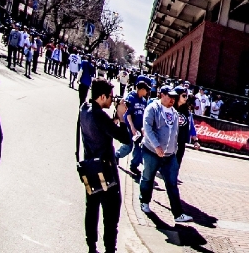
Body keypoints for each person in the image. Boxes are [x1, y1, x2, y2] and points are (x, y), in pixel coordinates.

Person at [79, 79, 131, 253]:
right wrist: (122, 118)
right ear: (102, 96)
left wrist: (115, 117)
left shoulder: (84, 109)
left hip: (89, 167)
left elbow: (103, 127)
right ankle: (110, 249)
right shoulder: (100, 115)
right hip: (106, 170)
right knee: (111, 214)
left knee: (91, 208)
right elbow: (124, 138)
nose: (112, 100)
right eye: (110, 97)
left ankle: (91, 247)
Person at [139, 85, 193, 222]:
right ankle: (144, 201)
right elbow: (147, 128)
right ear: (162, 95)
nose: (172, 100)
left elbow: (175, 133)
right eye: (170, 96)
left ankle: (178, 214)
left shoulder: (174, 113)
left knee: (172, 183)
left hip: (169, 156)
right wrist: (156, 146)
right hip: (152, 152)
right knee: (148, 177)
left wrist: (173, 150)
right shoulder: (153, 108)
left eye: (174, 97)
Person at [119, 80, 151, 179]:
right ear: (141, 89)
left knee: (139, 148)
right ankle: (116, 155)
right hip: (130, 126)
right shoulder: (131, 97)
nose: (147, 93)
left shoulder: (144, 101)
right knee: (128, 146)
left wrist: (142, 128)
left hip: (139, 128)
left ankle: (134, 166)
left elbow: (144, 115)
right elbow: (128, 113)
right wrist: (132, 127)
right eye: (146, 90)